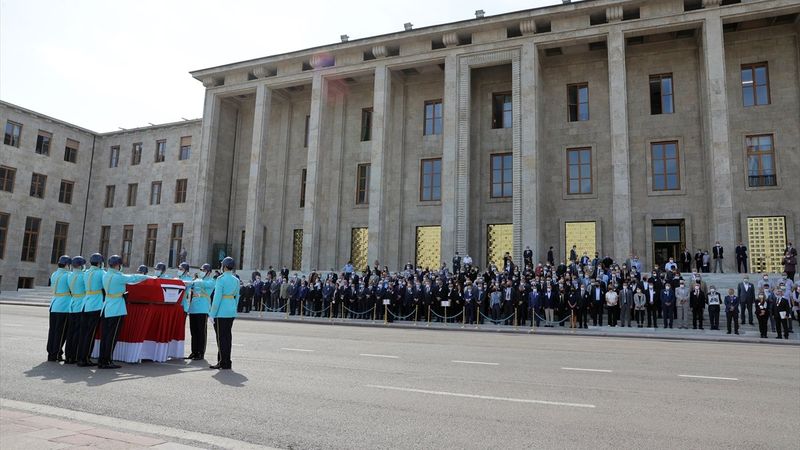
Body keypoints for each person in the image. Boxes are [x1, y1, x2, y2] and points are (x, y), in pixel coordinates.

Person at [100, 255, 149, 369]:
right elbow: (133, 278)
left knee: (105, 336)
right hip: (116, 309)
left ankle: (103, 360)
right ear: (118, 265)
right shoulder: (118, 277)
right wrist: (146, 276)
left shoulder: (106, 275)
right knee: (112, 337)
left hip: (106, 307)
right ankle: (107, 361)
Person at [210, 257, 240, 370]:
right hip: (230, 311)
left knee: (221, 338)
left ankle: (222, 361)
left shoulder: (220, 279)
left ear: (225, 266)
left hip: (221, 312)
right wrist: (234, 308)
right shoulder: (236, 279)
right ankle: (227, 361)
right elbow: (237, 296)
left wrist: (212, 313)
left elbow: (217, 298)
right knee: (227, 337)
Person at [76, 253, 106, 367]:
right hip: (95, 304)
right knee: (91, 333)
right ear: (99, 263)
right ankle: (85, 358)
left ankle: (80, 357)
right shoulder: (101, 272)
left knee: (83, 333)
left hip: (85, 303)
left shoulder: (86, 272)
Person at [184, 263, 214, 360]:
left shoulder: (211, 281)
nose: (202, 272)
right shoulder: (196, 281)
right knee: (194, 331)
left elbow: (207, 284)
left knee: (201, 331)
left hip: (203, 308)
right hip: (193, 308)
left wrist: (196, 281)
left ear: (209, 272)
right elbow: (188, 286)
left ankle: (201, 352)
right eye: (201, 270)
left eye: (204, 270)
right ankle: (194, 351)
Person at [46, 255, 72, 362]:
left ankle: (51, 352)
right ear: (66, 265)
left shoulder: (54, 274)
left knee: (52, 330)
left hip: (54, 304)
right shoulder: (68, 275)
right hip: (64, 306)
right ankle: (56, 353)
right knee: (61, 332)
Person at [64, 256, 87, 364]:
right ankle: (74, 355)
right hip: (80, 304)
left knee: (70, 331)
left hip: (72, 304)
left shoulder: (70, 275)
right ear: (81, 265)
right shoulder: (83, 275)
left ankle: (68, 355)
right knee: (78, 332)